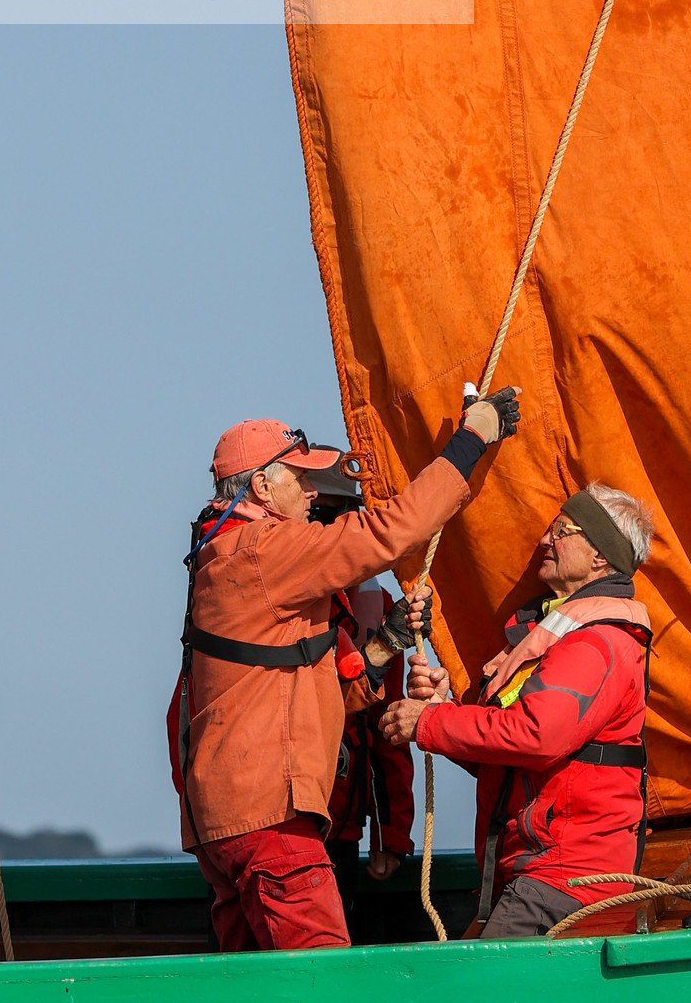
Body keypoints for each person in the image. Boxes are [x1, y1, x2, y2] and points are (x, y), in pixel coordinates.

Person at [173, 393, 519, 952]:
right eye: (300, 480)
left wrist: (391, 642)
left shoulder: (223, 555)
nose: (314, 493)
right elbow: (393, 531)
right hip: (272, 821)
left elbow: (325, 691)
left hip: (224, 822)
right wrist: (471, 438)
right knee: (325, 980)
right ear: (262, 488)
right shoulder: (267, 549)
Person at [383, 481, 654, 939]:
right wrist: (445, 707)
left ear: (600, 557)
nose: (544, 541)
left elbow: (536, 735)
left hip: (566, 878)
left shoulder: (596, 642)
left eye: (562, 531)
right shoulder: (561, 635)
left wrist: (430, 722)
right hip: (536, 875)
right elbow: (507, 753)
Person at [323, 580, 415, 924]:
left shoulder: (377, 607)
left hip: (339, 827)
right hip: (259, 824)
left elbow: (387, 725)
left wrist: (389, 834)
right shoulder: (264, 587)